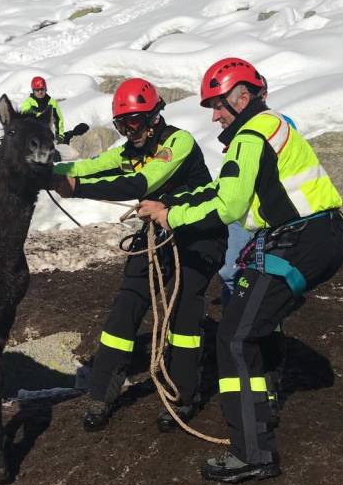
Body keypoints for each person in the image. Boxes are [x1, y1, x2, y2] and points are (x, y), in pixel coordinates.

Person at [137, 57, 343, 484]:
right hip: (314, 238)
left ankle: (252, 452)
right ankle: (262, 402)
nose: (214, 116)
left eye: (218, 105)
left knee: (235, 335)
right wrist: (173, 206)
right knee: (250, 320)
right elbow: (225, 190)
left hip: (300, 240)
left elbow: (229, 206)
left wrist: (172, 219)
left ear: (241, 97)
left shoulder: (250, 136)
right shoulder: (270, 126)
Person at [52, 78, 227, 432]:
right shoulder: (129, 150)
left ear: (153, 116)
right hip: (157, 234)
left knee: (183, 315)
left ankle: (184, 395)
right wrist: (45, 173)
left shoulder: (178, 142)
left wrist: (76, 190)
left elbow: (140, 184)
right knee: (125, 309)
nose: (128, 131)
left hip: (199, 236)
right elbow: (89, 166)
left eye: (133, 122)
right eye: (121, 124)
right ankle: (102, 395)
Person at [21, 76, 67, 142]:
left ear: (45, 89)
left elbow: (59, 119)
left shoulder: (52, 102)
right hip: (31, 136)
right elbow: (24, 119)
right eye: (37, 90)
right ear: (33, 91)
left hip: (48, 135)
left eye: (42, 89)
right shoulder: (28, 102)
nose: (40, 92)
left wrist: (60, 135)